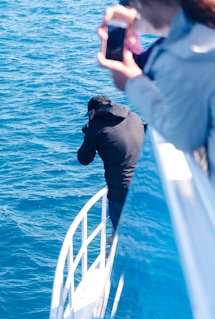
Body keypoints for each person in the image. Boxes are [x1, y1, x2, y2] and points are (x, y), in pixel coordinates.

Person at [96, 0, 215, 175]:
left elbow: (184, 139)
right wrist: (135, 24)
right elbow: (174, 29)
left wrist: (132, 84)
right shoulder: (202, 25)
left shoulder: (181, 58)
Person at [78, 95, 145, 231]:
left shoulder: (97, 127)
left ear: (93, 112)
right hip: (146, 184)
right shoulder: (134, 117)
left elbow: (84, 159)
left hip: (121, 192)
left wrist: (89, 133)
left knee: (124, 237)